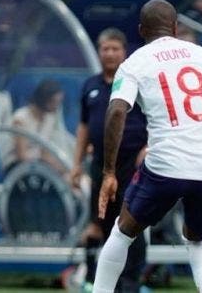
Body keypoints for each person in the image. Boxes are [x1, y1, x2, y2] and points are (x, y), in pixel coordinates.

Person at [93, 0, 202, 293]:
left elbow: (116, 111)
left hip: (166, 165)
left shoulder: (135, 63)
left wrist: (109, 171)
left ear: (140, 31)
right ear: (174, 28)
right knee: (200, 240)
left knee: (123, 233)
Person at [71, 29, 148, 291]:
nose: (110, 53)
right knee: (101, 222)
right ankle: (101, 281)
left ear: (124, 51)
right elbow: (83, 127)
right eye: (106, 48)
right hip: (101, 166)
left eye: (115, 48)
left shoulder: (136, 81)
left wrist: (149, 147)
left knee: (131, 221)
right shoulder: (90, 86)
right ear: (99, 51)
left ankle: (131, 282)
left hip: (132, 165)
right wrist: (76, 164)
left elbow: (157, 118)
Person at [2, 78, 75, 174]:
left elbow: (61, 139)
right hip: (17, 167)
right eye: (54, 102)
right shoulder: (21, 119)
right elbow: (22, 156)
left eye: (59, 102)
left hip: (39, 163)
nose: (57, 106)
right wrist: (43, 157)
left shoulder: (50, 118)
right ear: (44, 99)